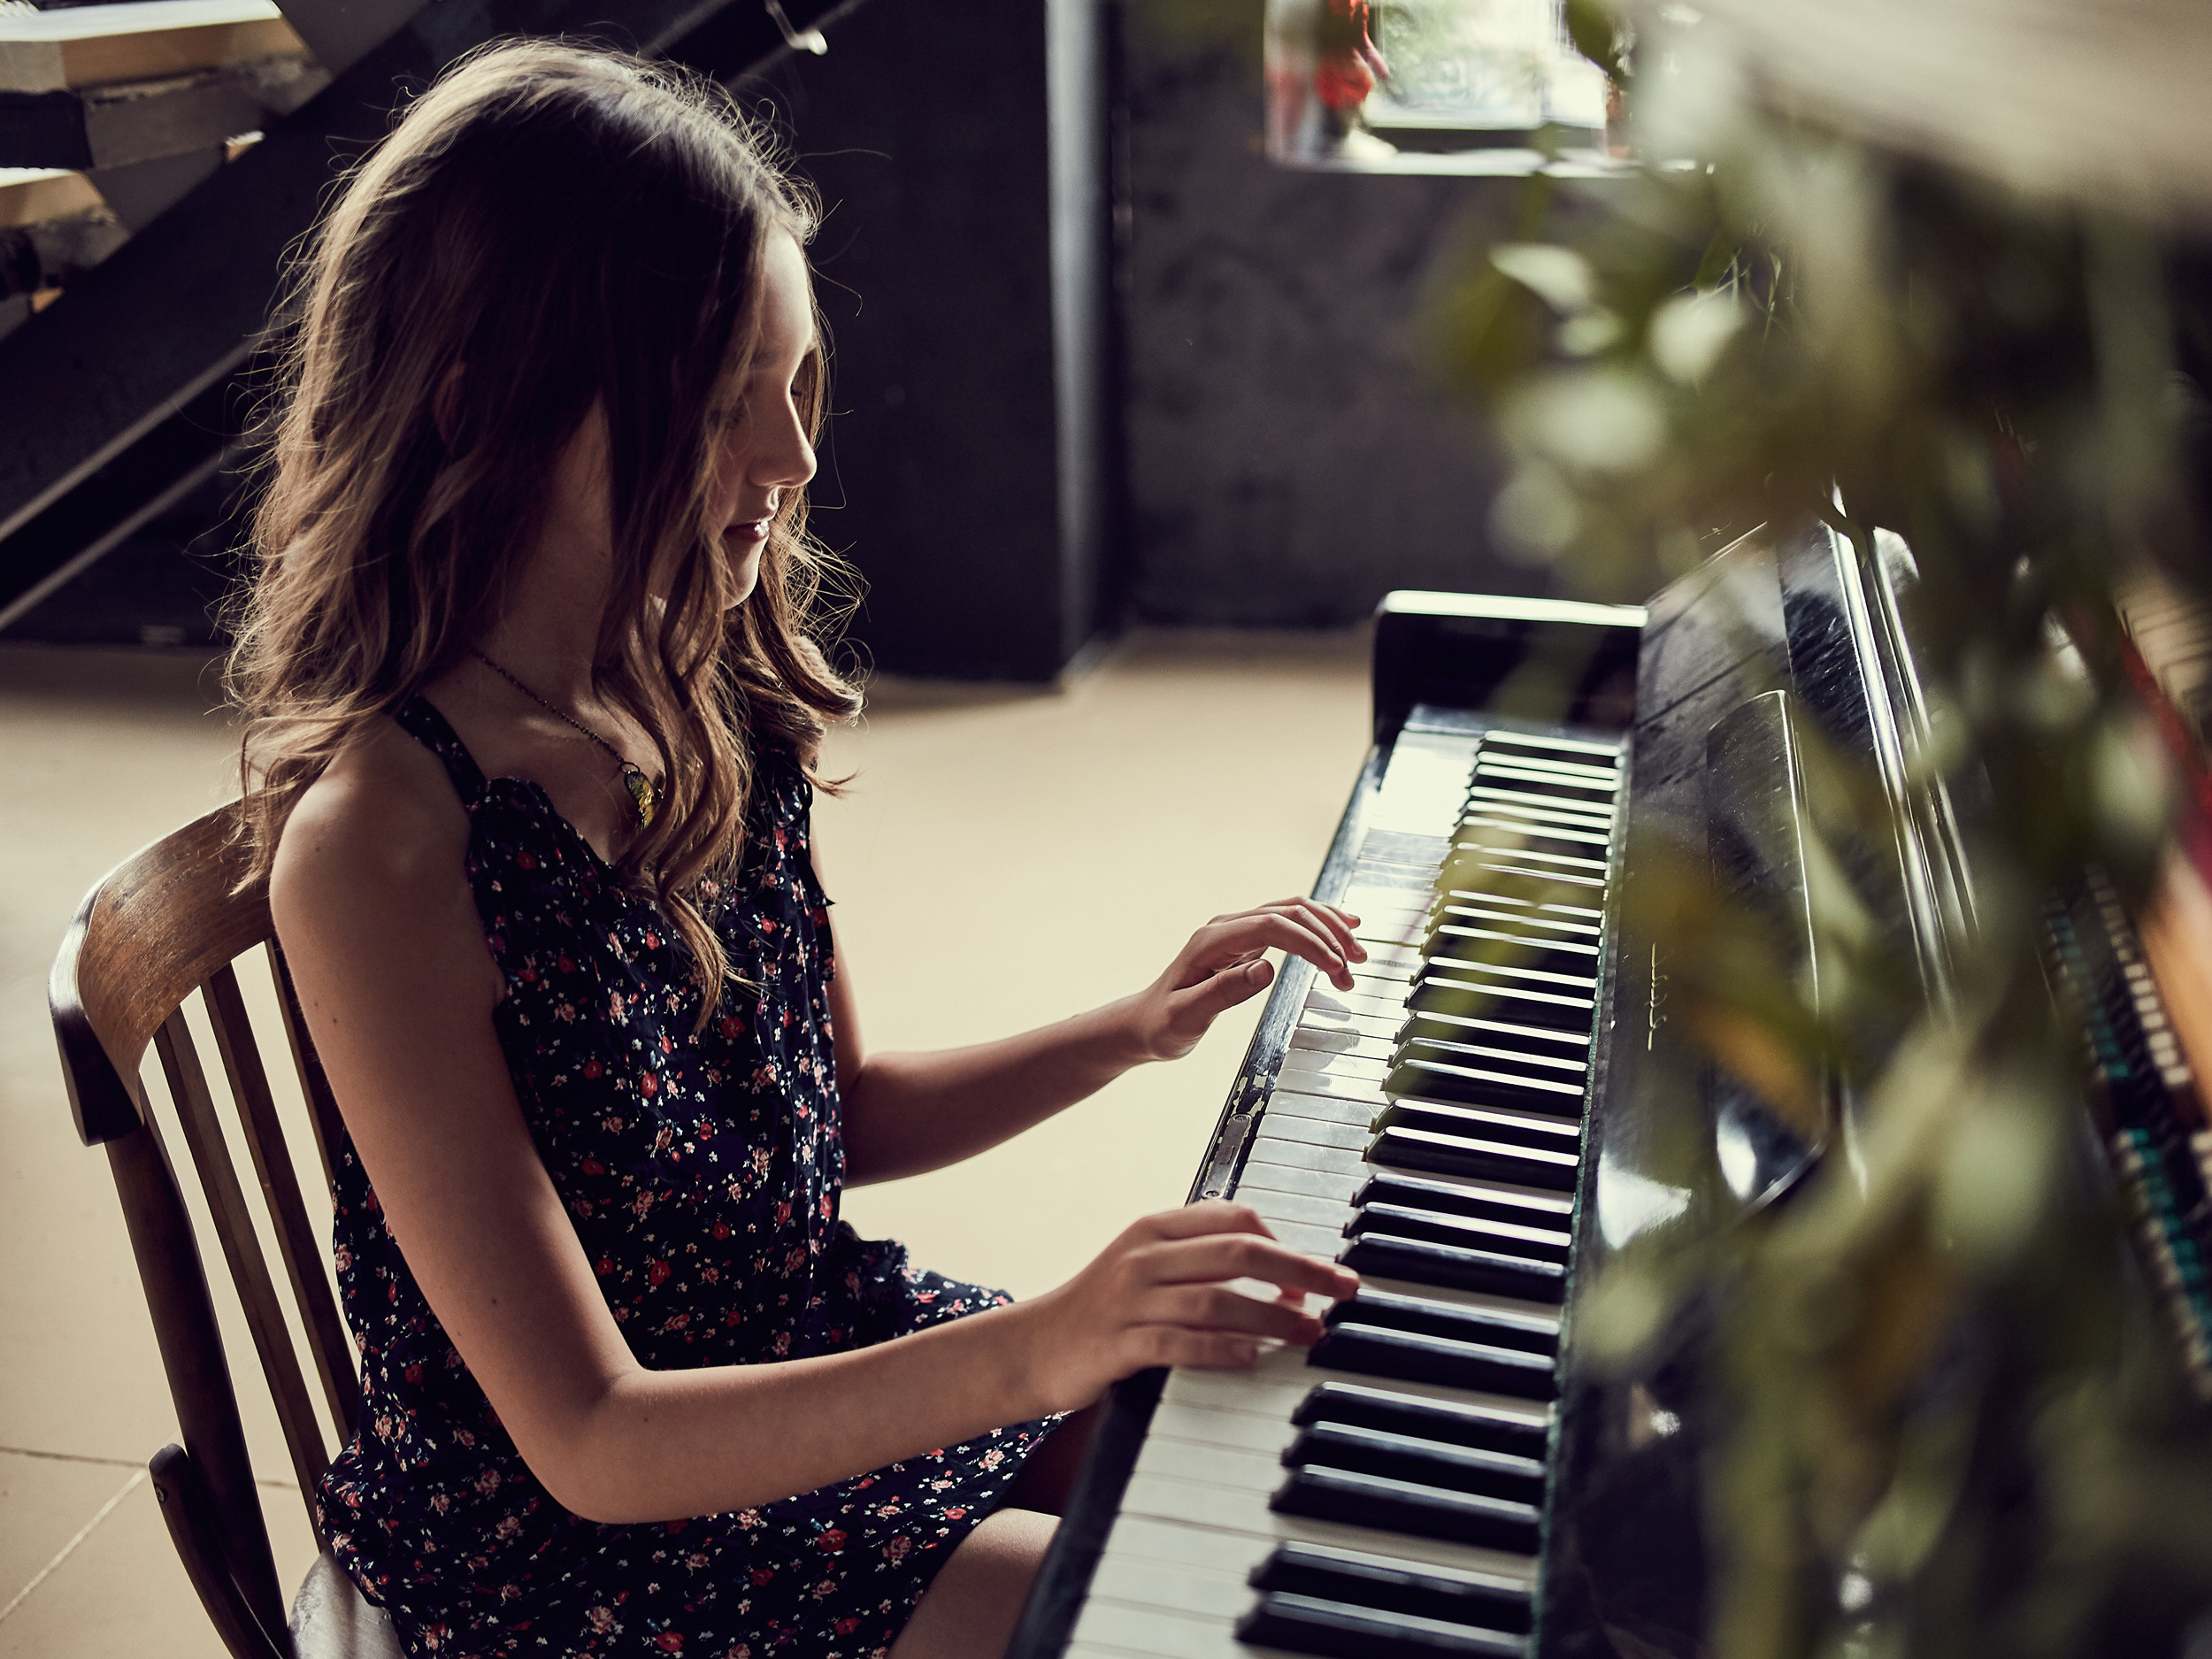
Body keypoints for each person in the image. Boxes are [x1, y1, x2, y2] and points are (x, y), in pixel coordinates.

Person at [232, 41, 1365, 1659]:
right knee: (1146, 1617)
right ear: (484, 405)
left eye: (793, 381)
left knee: (1257, 1461)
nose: (793, 460)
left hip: (805, 1349)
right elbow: (593, 1439)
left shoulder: (707, 703)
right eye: (717, 403)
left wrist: (1130, 1029)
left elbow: (841, 1118)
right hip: (591, 1545)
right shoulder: (379, 851)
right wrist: (1044, 1343)